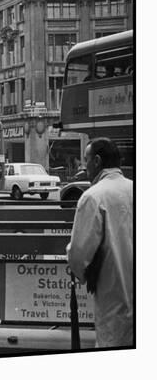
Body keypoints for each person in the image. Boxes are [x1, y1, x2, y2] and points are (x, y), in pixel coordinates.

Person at [66, 137, 133, 348]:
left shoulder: (92, 197)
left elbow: (78, 255)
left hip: (113, 299)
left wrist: (76, 268)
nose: (84, 167)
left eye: (86, 160)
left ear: (96, 161)